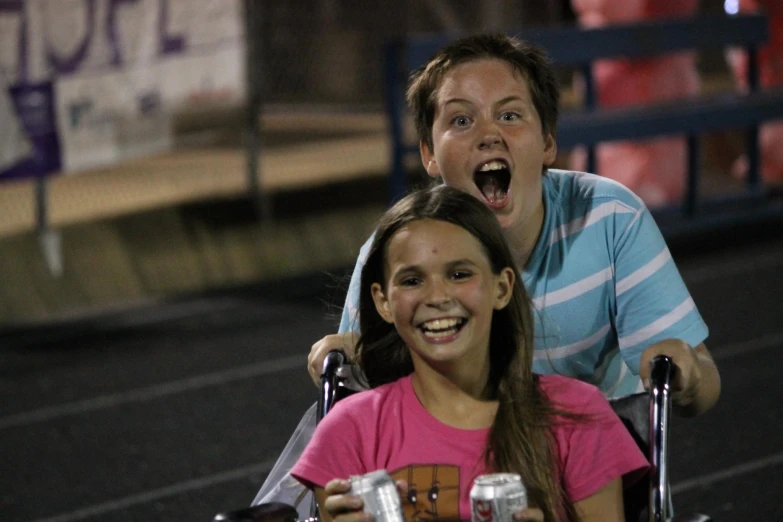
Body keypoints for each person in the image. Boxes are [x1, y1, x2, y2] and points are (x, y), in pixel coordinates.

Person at [256, 33, 720, 514]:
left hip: (575, 457)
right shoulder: (398, 249)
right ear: (429, 156)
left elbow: (698, 382)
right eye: (461, 119)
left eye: (510, 114)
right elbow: (368, 402)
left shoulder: (609, 221)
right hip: (441, 462)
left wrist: (685, 372)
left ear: (546, 143)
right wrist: (348, 353)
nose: (488, 132)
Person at [292, 185, 649, 522]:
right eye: (412, 280)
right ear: (383, 301)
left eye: (459, 274)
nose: (437, 297)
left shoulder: (575, 414)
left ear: (502, 287)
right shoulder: (349, 430)